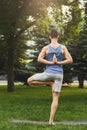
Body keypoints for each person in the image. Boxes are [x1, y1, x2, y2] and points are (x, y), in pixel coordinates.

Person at [27, 29, 73, 125]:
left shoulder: (46, 48)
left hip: (48, 73)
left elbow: (39, 59)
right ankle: (51, 121)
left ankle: (48, 82)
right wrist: (58, 62)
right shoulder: (63, 48)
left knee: (29, 81)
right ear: (58, 36)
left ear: (49, 37)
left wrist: (51, 62)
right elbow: (70, 60)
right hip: (59, 75)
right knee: (55, 98)